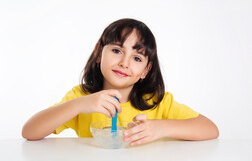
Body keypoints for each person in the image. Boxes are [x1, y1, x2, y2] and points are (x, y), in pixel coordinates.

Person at [22, 18, 219, 146]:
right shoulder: (82, 98)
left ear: (146, 70)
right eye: (117, 51)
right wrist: (79, 105)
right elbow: (30, 131)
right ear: (99, 53)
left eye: (137, 58)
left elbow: (210, 129)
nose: (124, 63)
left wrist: (161, 127)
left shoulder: (157, 102)